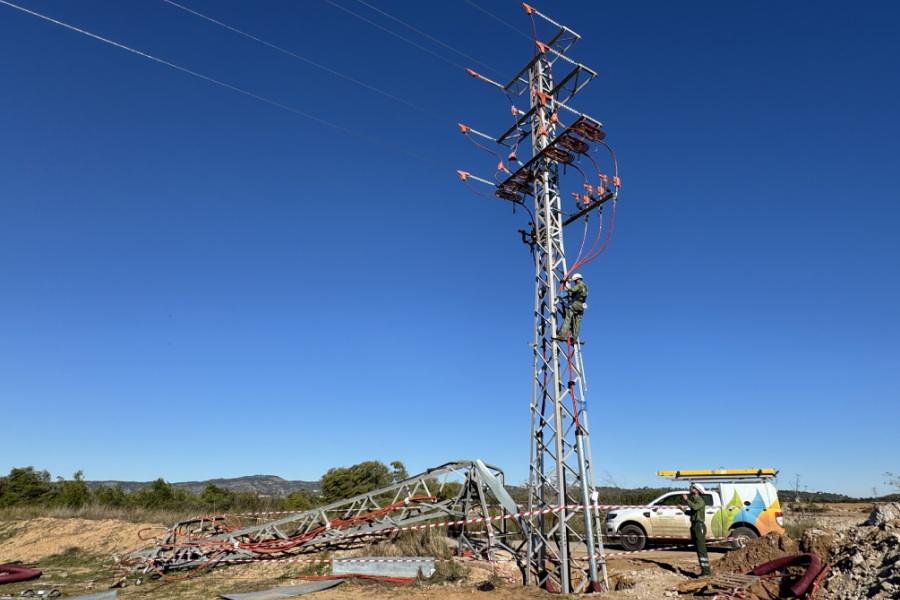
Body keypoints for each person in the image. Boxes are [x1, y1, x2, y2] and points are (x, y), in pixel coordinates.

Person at [683, 483, 711, 577]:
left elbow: (694, 507)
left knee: (701, 549)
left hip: (699, 526)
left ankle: (706, 572)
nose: (691, 488)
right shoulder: (695, 501)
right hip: (695, 525)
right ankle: (704, 571)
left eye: (693, 487)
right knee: (699, 549)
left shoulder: (700, 501)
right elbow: (692, 512)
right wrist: (683, 510)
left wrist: (687, 500)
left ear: (697, 490)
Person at [554, 273, 588, 342]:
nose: (575, 283)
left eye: (575, 281)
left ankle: (561, 336)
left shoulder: (580, 285)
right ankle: (574, 338)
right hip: (581, 306)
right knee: (577, 322)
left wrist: (565, 285)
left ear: (578, 280)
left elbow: (572, 290)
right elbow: (576, 294)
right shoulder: (586, 287)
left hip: (575, 304)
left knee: (568, 319)